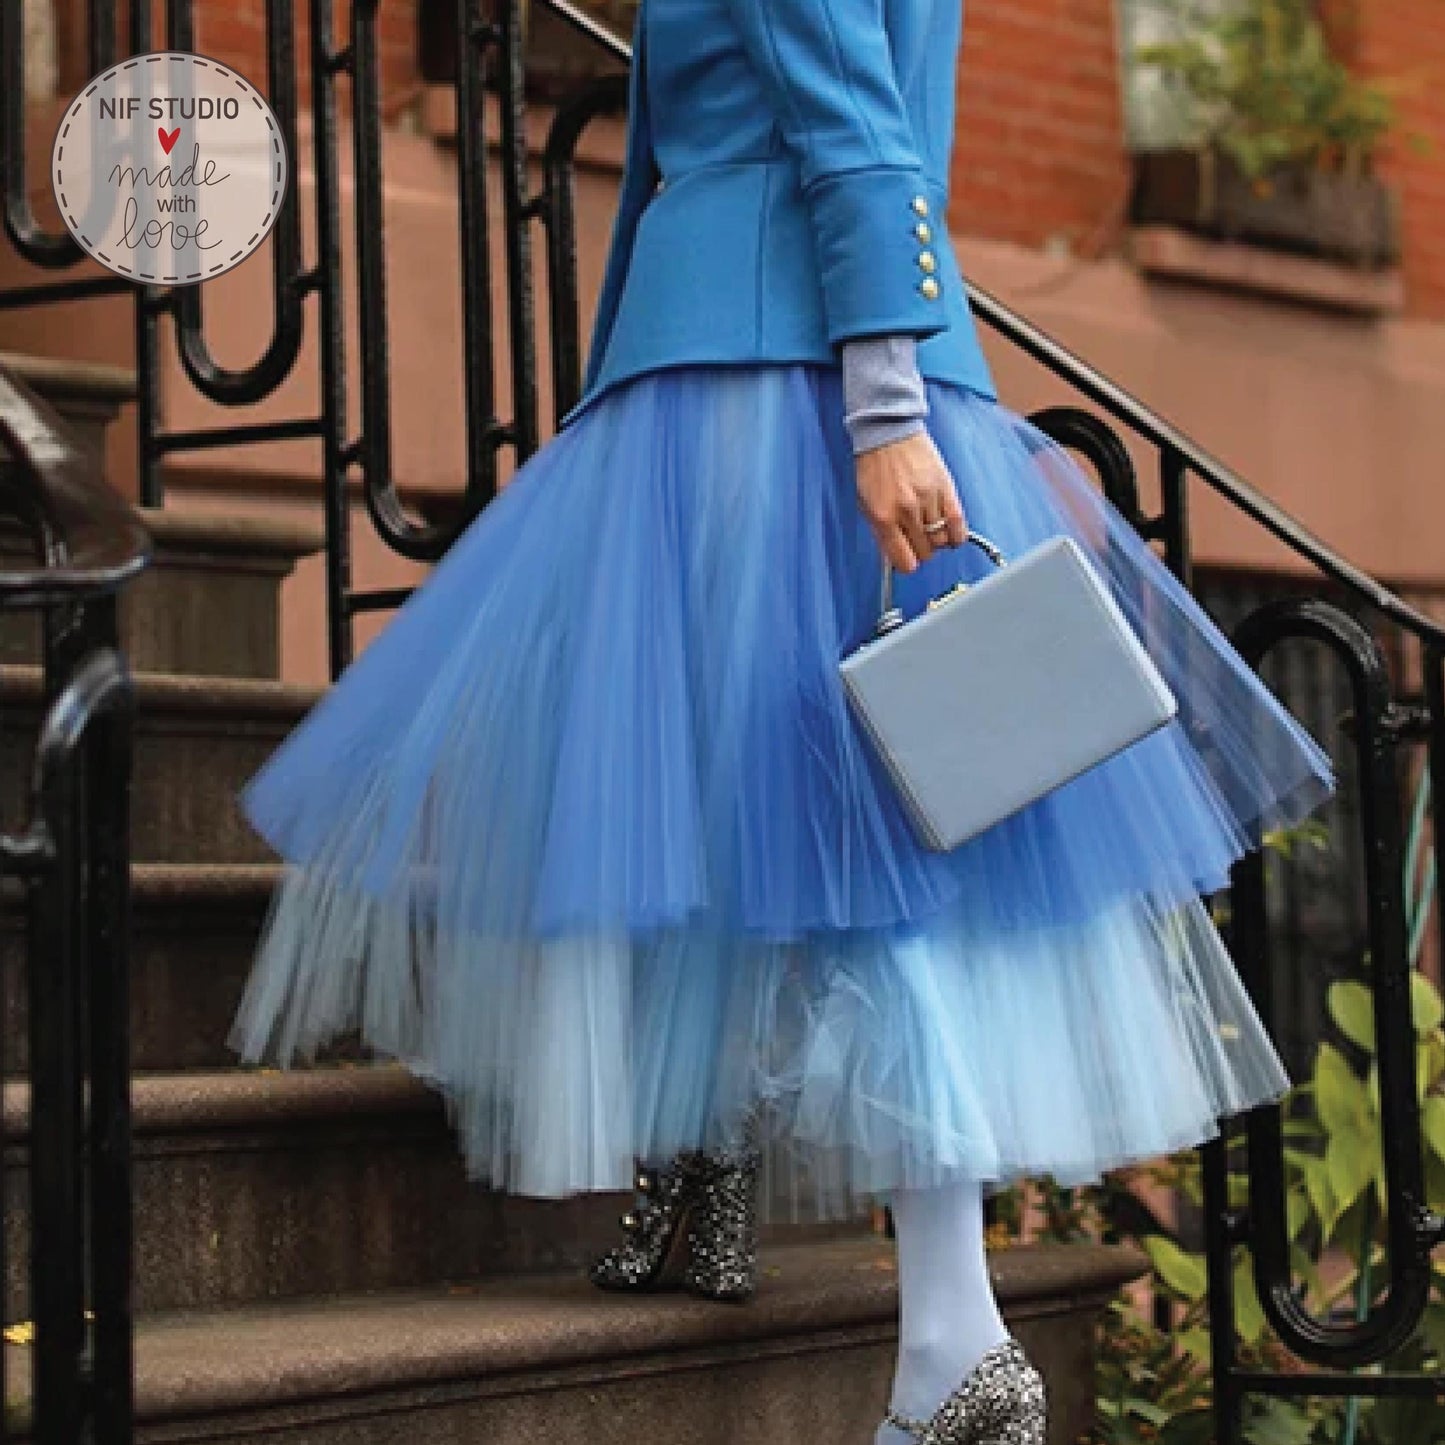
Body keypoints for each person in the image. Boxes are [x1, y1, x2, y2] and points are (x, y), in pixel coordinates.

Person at [226, 0, 1336, 1439]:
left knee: (856, 837)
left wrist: (882, 411)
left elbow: (852, 114)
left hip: (783, 367)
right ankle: (719, 1168)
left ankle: (951, 1336)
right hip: (782, 351)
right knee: (765, 803)